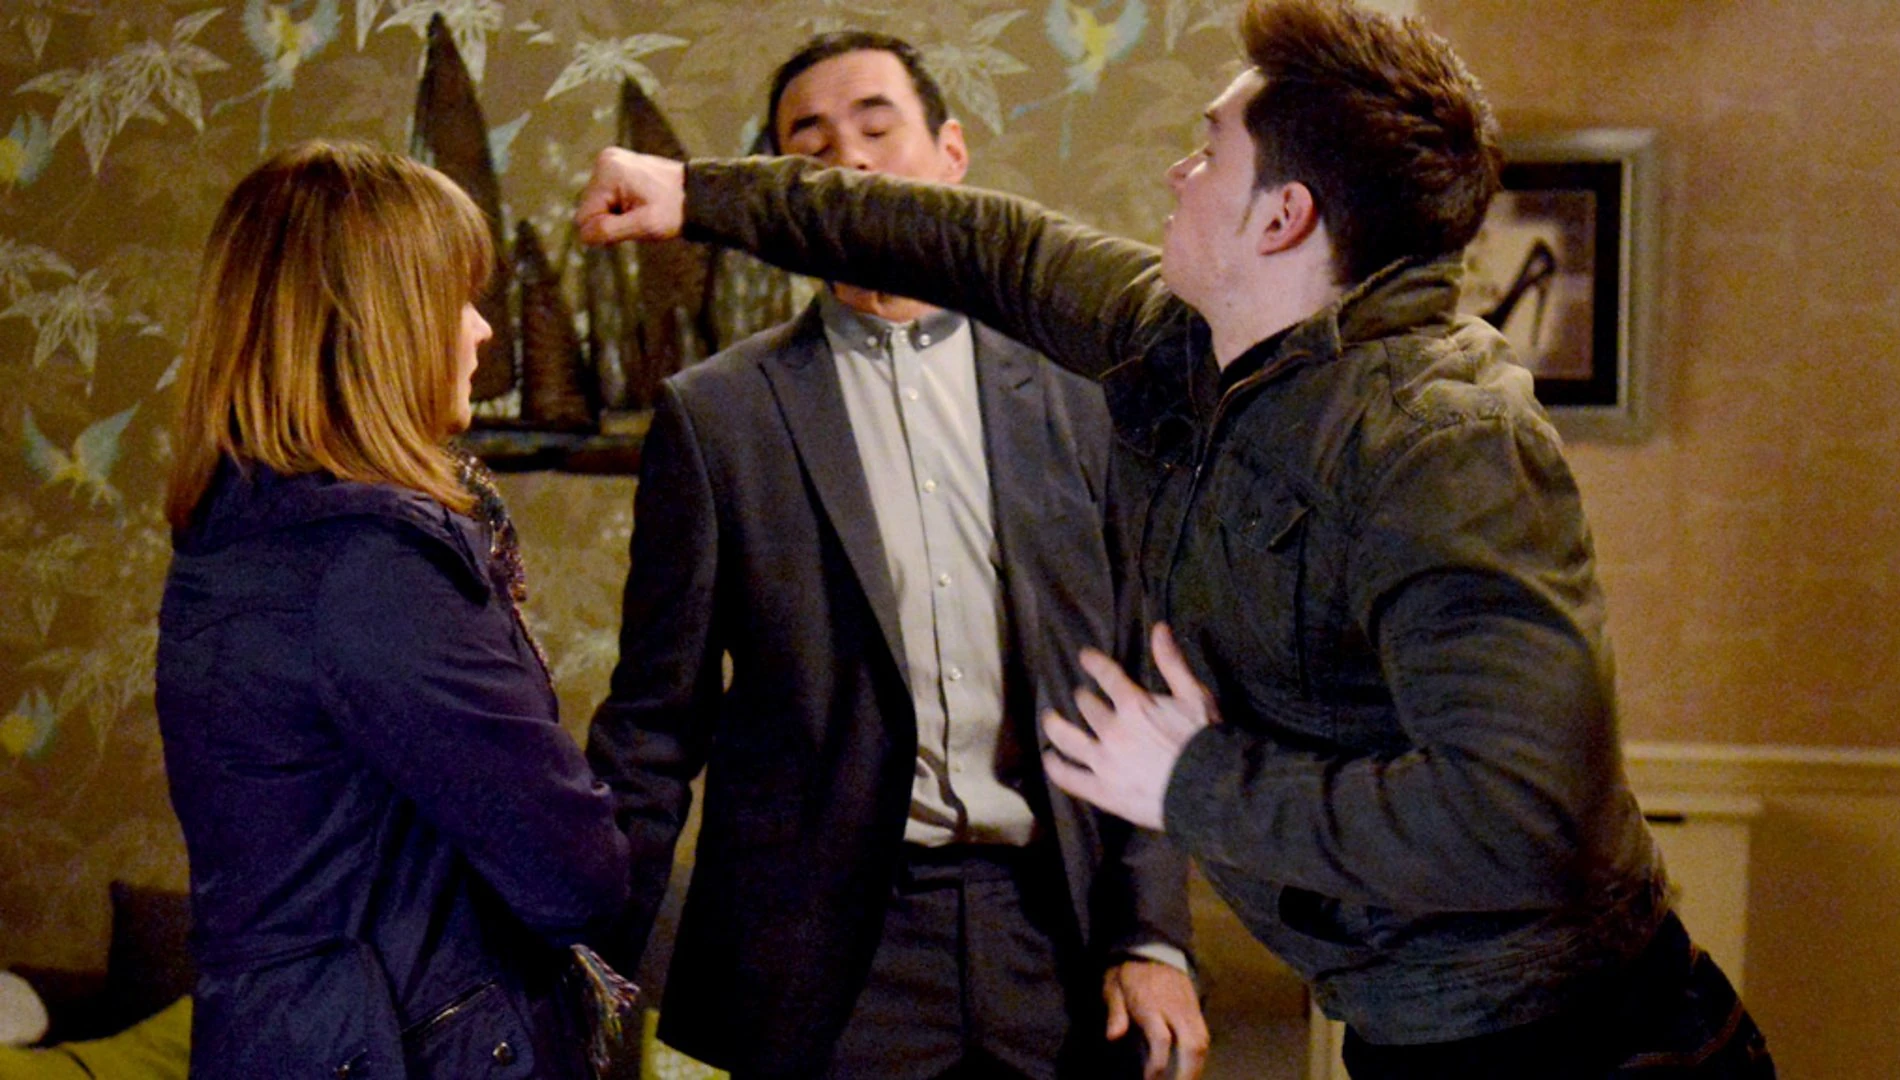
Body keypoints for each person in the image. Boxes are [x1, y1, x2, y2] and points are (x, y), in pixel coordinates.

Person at [574, 1, 1777, 1076]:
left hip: (1578, 1042)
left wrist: (1189, 783)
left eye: (1210, 152)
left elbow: (1518, 818)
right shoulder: (1182, 342)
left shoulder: (1445, 444)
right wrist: (698, 197)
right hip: (1410, 1027)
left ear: (1283, 218)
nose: (1178, 169)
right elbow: (982, 245)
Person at [584, 31, 1205, 1080]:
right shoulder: (721, 415)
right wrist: (588, 967)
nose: (852, 161)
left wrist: (1152, 935)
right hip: (826, 956)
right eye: (810, 146)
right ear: (781, 196)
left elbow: (1147, 678)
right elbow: (654, 722)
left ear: (952, 154)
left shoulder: (1080, 393)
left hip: (1053, 929)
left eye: (878, 127)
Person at [157, 141, 629, 1080]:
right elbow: (575, 876)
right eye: (458, 299)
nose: (482, 332)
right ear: (382, 327)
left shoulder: (240, 532)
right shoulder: (372, 567)